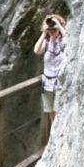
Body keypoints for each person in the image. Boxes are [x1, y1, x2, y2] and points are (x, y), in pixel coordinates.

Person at [33, 13, 67, 145]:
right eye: (51, 28)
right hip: (47, 83)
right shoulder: (47, 43)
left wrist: (59, 26)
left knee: (59, 110)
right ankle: (56, 138)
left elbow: (69, 41)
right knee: (50, 111)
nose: (52, 30)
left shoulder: (63, 42)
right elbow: (37, 50)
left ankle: (60, 136)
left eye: (54, 28)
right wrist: (44, 33)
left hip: (59, 83)